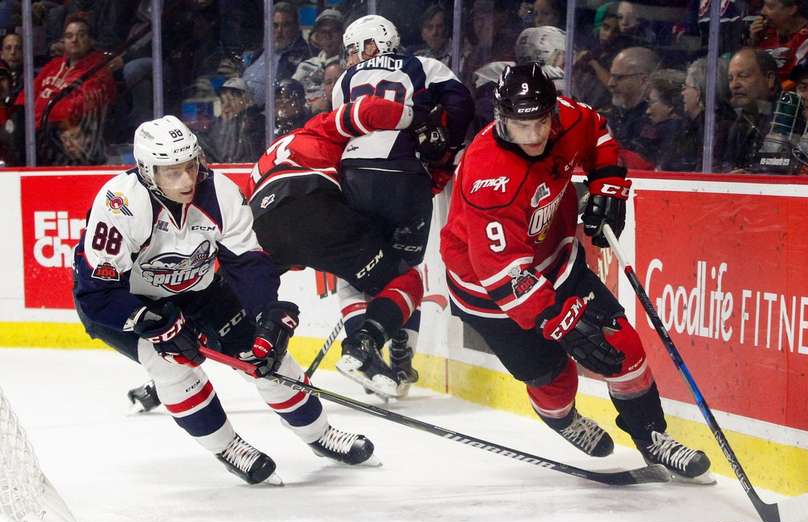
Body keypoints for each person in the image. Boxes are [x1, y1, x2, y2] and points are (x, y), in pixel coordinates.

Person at [439, 64, 712, 483]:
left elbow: (599, 137)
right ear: (500, 119)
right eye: (520, 125)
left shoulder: (569, 115)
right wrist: (557, 320)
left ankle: (653, 437)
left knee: (623, 345)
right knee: (554, 377)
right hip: (488, 292)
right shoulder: (487, 174)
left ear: (553, 111)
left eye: (541, 123)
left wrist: (607, 187)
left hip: (557, 260)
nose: (532, 136)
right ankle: (562, 418)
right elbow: (500, 273)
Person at [73, 115, 376, 485]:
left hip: (199, 291)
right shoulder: (120, 204)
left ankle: (320, 434)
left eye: (190, 166)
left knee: (266, 354)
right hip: (129, 303)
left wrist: (266, 312)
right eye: (172, 173)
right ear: (148, 172)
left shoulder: (220, 192)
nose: (186, 180)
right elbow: (95, 294)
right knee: (171, 366)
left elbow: (247, 263)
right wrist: (150, 322)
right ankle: (228, 446)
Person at [245, 95, 441, 398]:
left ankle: (229, 344)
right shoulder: (316, 129)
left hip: (265, 228)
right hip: (312, 206)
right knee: (407, 279)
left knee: (238, 294)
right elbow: (367, 109)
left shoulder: (262, 161)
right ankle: (363, 345)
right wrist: (418, 118)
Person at [331, 15, 474, 397]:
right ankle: (402, 356)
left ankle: (365, 355)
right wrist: (446, 150)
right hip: (407, 175)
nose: (350, 59)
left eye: (353, 49)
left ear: (372, 44)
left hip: (357, 176)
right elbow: (461, 103)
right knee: (404, 272)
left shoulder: (343, 82)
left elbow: (337, 130)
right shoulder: (424, 65)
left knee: (354, 273)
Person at [15, 13, 116, 164]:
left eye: (80, 35)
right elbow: (26, 96)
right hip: (35, 130)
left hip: (62, 133)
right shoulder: (54, 65)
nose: (74, 40)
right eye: (69, 36)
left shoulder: (98, 69)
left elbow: (79, 107)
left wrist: (42, 114)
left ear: (90, 40)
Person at [243, 2, 311, 107]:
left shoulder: (301, 56)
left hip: (270, 115)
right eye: (275, 25)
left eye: (286, 25)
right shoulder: (259, 52)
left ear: (296, 27)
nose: (279, 31)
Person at [748, 0, 808, 80]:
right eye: (763, 4)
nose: (763, 11)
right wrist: (754, 42)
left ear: (792, 9)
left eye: (770, 7)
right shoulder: (763, 32)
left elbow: (795, 80)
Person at [292, 8, 344, 116]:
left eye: (333, 31)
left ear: (343, 34)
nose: (328, 36)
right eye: (323, 32)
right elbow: (291, 95)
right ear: (317, 37)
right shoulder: (305, 67)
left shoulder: (349, 65)